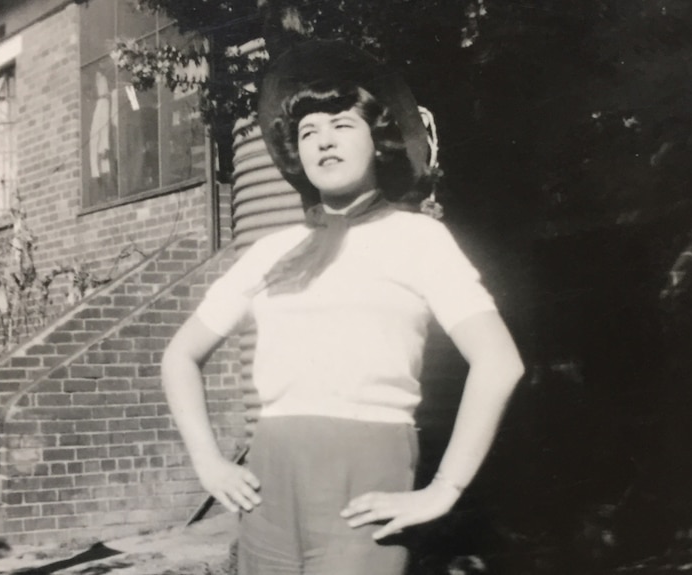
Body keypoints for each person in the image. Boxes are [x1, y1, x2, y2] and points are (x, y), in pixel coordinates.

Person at [161, 40, 525, 575]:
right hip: (268, 483)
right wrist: (209, 464)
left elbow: (500, 362)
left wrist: (444, 488)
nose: (323, 140)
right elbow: (179, 357)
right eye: (308, 131)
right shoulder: (270, 251)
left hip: (365, 480)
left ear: (378, 141)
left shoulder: (417, 238)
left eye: (341, 124)